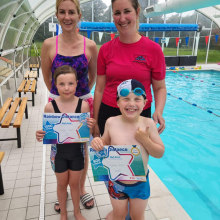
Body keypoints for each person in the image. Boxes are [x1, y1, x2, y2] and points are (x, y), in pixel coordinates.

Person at [92, 0, 166, 219]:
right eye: (117, 13)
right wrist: (95, 120)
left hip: (140, 114)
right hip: (108, 112)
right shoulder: (105, 49)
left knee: (138, 160)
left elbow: (160, 87)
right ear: (113, 16)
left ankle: (133, 204)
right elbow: (100, 88)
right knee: (111, 165)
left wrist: (158, 111)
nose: (122, 18)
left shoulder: (153, 49)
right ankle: (119, 204)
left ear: (137, 12)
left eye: (127, 11)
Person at [41, 0, 98, 211]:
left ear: (79, 15)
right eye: (62, 12)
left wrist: (82, 96)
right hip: (57, 105)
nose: (67, 17)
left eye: (71, 12)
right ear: (57, 15)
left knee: (82, 149)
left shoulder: (89, 45)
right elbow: (47, 77)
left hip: (83, 103)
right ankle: (61, 190)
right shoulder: (49, 44)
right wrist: (57, 96)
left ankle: (80, 189)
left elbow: (93, 77)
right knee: (58, 148)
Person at [91, 79, 165, 220]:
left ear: (145, 102)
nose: (131, 104)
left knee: (137, 216)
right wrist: (98, 142)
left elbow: (159, 152)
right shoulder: (111, 122)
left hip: (140, 183)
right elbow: (105, 142)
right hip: (116, 182)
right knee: (120, 215)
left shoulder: (148, 124)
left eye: (137, 99)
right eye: (126, 99)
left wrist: (145, 140)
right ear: (118, 103)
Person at [36, 65, 96, 220]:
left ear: (77, 83)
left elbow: (85, 135)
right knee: (61, 185)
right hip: (58, 155)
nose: (67, 88)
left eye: (70, 83)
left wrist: (91, 126)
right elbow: (48, 132)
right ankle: (64, 213)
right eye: (62, 84)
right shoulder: (50, 107)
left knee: (75, 185)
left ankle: (77, 212)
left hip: (78, 154)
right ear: (55, 85)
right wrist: (40, 134)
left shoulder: (83, 105)